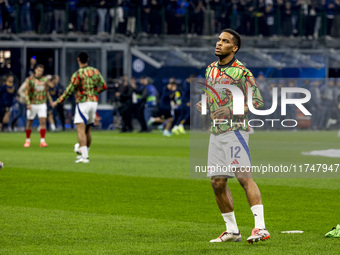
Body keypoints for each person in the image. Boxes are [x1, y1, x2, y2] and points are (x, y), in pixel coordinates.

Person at [196, 28, 270, 243]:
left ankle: (260, 228)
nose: (219, 43)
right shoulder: (210, 69)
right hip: (216, 132)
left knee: (243, 177)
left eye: (225, 41)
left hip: (235, 131)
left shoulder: (242, 72)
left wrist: (232, 110)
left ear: (234, 48)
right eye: (218, 39)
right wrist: (206, 103)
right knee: (217, 183)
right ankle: (232, 231)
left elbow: (257, 102)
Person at [51, 52, 107, 163]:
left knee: (80, 130)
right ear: (88, 59)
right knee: (88, 129)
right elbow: (104, 86)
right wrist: (94, 92)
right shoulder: (95, 71)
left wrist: (57, 101)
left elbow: (69, 90)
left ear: (78, 60)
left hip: (83, 102)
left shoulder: (78, 74)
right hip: (93, 102)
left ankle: (84, 157)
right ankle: (85, 152)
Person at [24, 64, 52, 148]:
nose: (40, 72)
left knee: (43, 121)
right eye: (38, 70)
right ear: (35, 70)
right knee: (29, 122)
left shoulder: (45, 80)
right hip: (32, 103)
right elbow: (26, 92)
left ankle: (42, 141)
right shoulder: (30, 80)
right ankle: (27, 140)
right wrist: (28, 103)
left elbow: (47, 91)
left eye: (41, 71)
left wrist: (50, 100)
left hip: (42, 103)